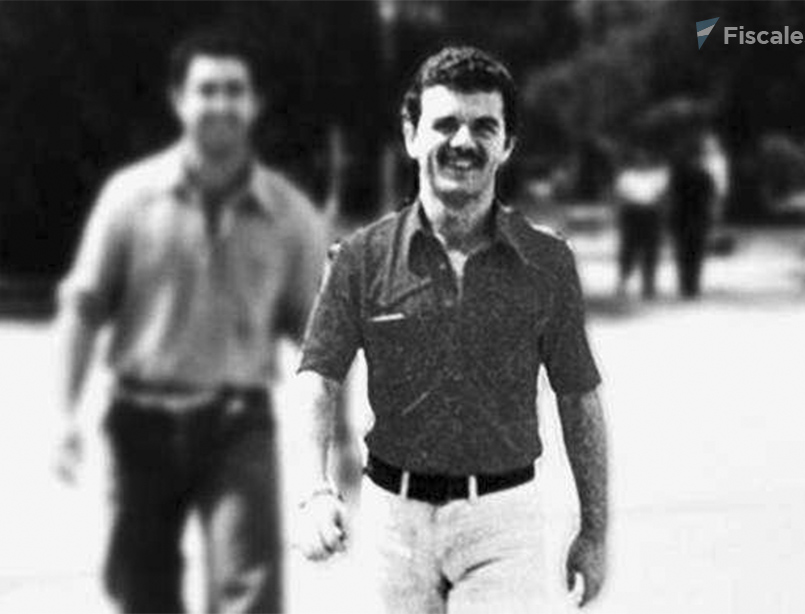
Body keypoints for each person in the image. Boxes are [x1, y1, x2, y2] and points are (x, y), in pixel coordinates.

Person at [293, 46, 609, 613]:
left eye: (484, 126)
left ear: (507, 144)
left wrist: (594, 531)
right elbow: (317, 378)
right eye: (445, 124)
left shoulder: (547, 263)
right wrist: (313, 490)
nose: (463, 142)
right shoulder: (360, 259)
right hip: (394, 522)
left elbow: (578, 397)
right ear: (411, 135)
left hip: (503, 521)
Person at [55, 26, 328, 613]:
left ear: (254, 103)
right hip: (140, 424)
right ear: (179, 100)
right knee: (143, 591)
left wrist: (341, 440)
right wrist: (64, 416)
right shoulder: (129, 198)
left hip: (239, 427)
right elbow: (84, 305)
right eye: (207, 89)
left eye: (234, 90)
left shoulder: (289, 215)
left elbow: (321, 339)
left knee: (250, 592)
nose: (221, 104)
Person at [613, 144, 671, 300]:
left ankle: (649, 285)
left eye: (645, 158)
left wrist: (661, 212)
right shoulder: (627, 176)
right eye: (639, 159)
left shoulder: (657, 176)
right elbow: (620, 196)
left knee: (651, 250)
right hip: (632, 213)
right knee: (628, 249)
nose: (642, 161)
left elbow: (662, 196)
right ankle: (623, 281)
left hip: (651, 214)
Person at [668, 137, 715, 299]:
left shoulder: (703, 176)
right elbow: (673, 198)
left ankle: (691, 285)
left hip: (694, 218)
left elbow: (710, 198)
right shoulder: (684, 176)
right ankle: (687, 285)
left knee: (694, 253)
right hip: (685, 218)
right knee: (686, 254)